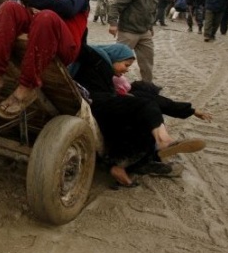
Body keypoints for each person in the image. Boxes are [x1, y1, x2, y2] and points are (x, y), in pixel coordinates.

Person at [72, 43, 210, 187]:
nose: (127, 69)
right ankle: (163, 141)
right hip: (97, 103)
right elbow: (80, 42)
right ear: (115, 57)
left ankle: (120, 166)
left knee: (145, 106)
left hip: (105, 106)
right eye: (126, 64)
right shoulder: (97, 59)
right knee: (145, 105)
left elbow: (158, 101)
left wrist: (191, 111)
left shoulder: (110, 77)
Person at [107, 0, 159, 83]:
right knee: (118, 61)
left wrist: (150, 26)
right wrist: (113, 24)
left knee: (147, 64)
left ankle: (147, 87)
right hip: (128, 32)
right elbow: (115, 6)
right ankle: (111, 85)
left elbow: (152, 9)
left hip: (145, 32)